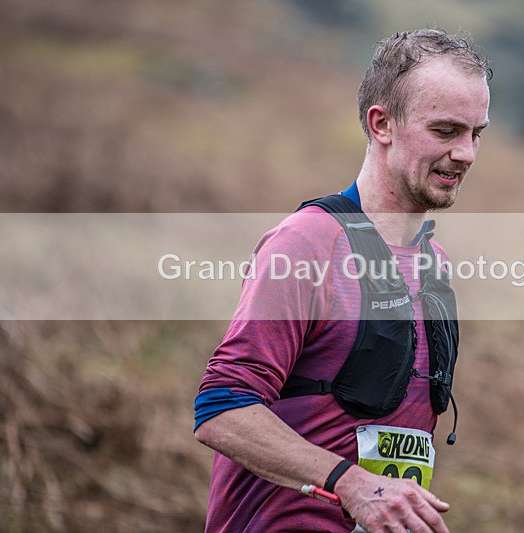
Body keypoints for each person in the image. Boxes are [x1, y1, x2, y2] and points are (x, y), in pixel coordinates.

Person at [194, 28, 491, 532]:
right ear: (382, 124)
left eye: (475, 133)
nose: (465, 153)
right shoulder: (308, 243)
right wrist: (351, 484)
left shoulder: (432, 261)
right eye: (445, 132)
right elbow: (223, 407)